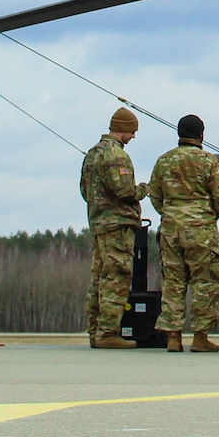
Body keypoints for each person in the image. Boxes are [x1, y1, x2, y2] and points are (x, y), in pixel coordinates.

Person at [148, 114, 219, 353]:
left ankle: (173, 337)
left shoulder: (163, 161)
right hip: (201, 231)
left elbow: (154, 194)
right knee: (205, 281)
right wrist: (208, 214)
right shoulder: (209, 162)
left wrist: (171, 212)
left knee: (173, 282)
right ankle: (200, 337)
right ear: (201, 135)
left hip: (171, 230)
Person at [80, 106, 147, 349]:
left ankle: (95, 332)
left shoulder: (92, 153)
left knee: (99, 278)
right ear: (123, 129)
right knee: (117, 276)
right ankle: (108, 333)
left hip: (99, 223)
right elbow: (125, 191)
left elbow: (83, 190)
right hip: (117, 225)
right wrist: (143, 189)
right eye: (132, 132)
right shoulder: (116, 155)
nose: (133, 137)